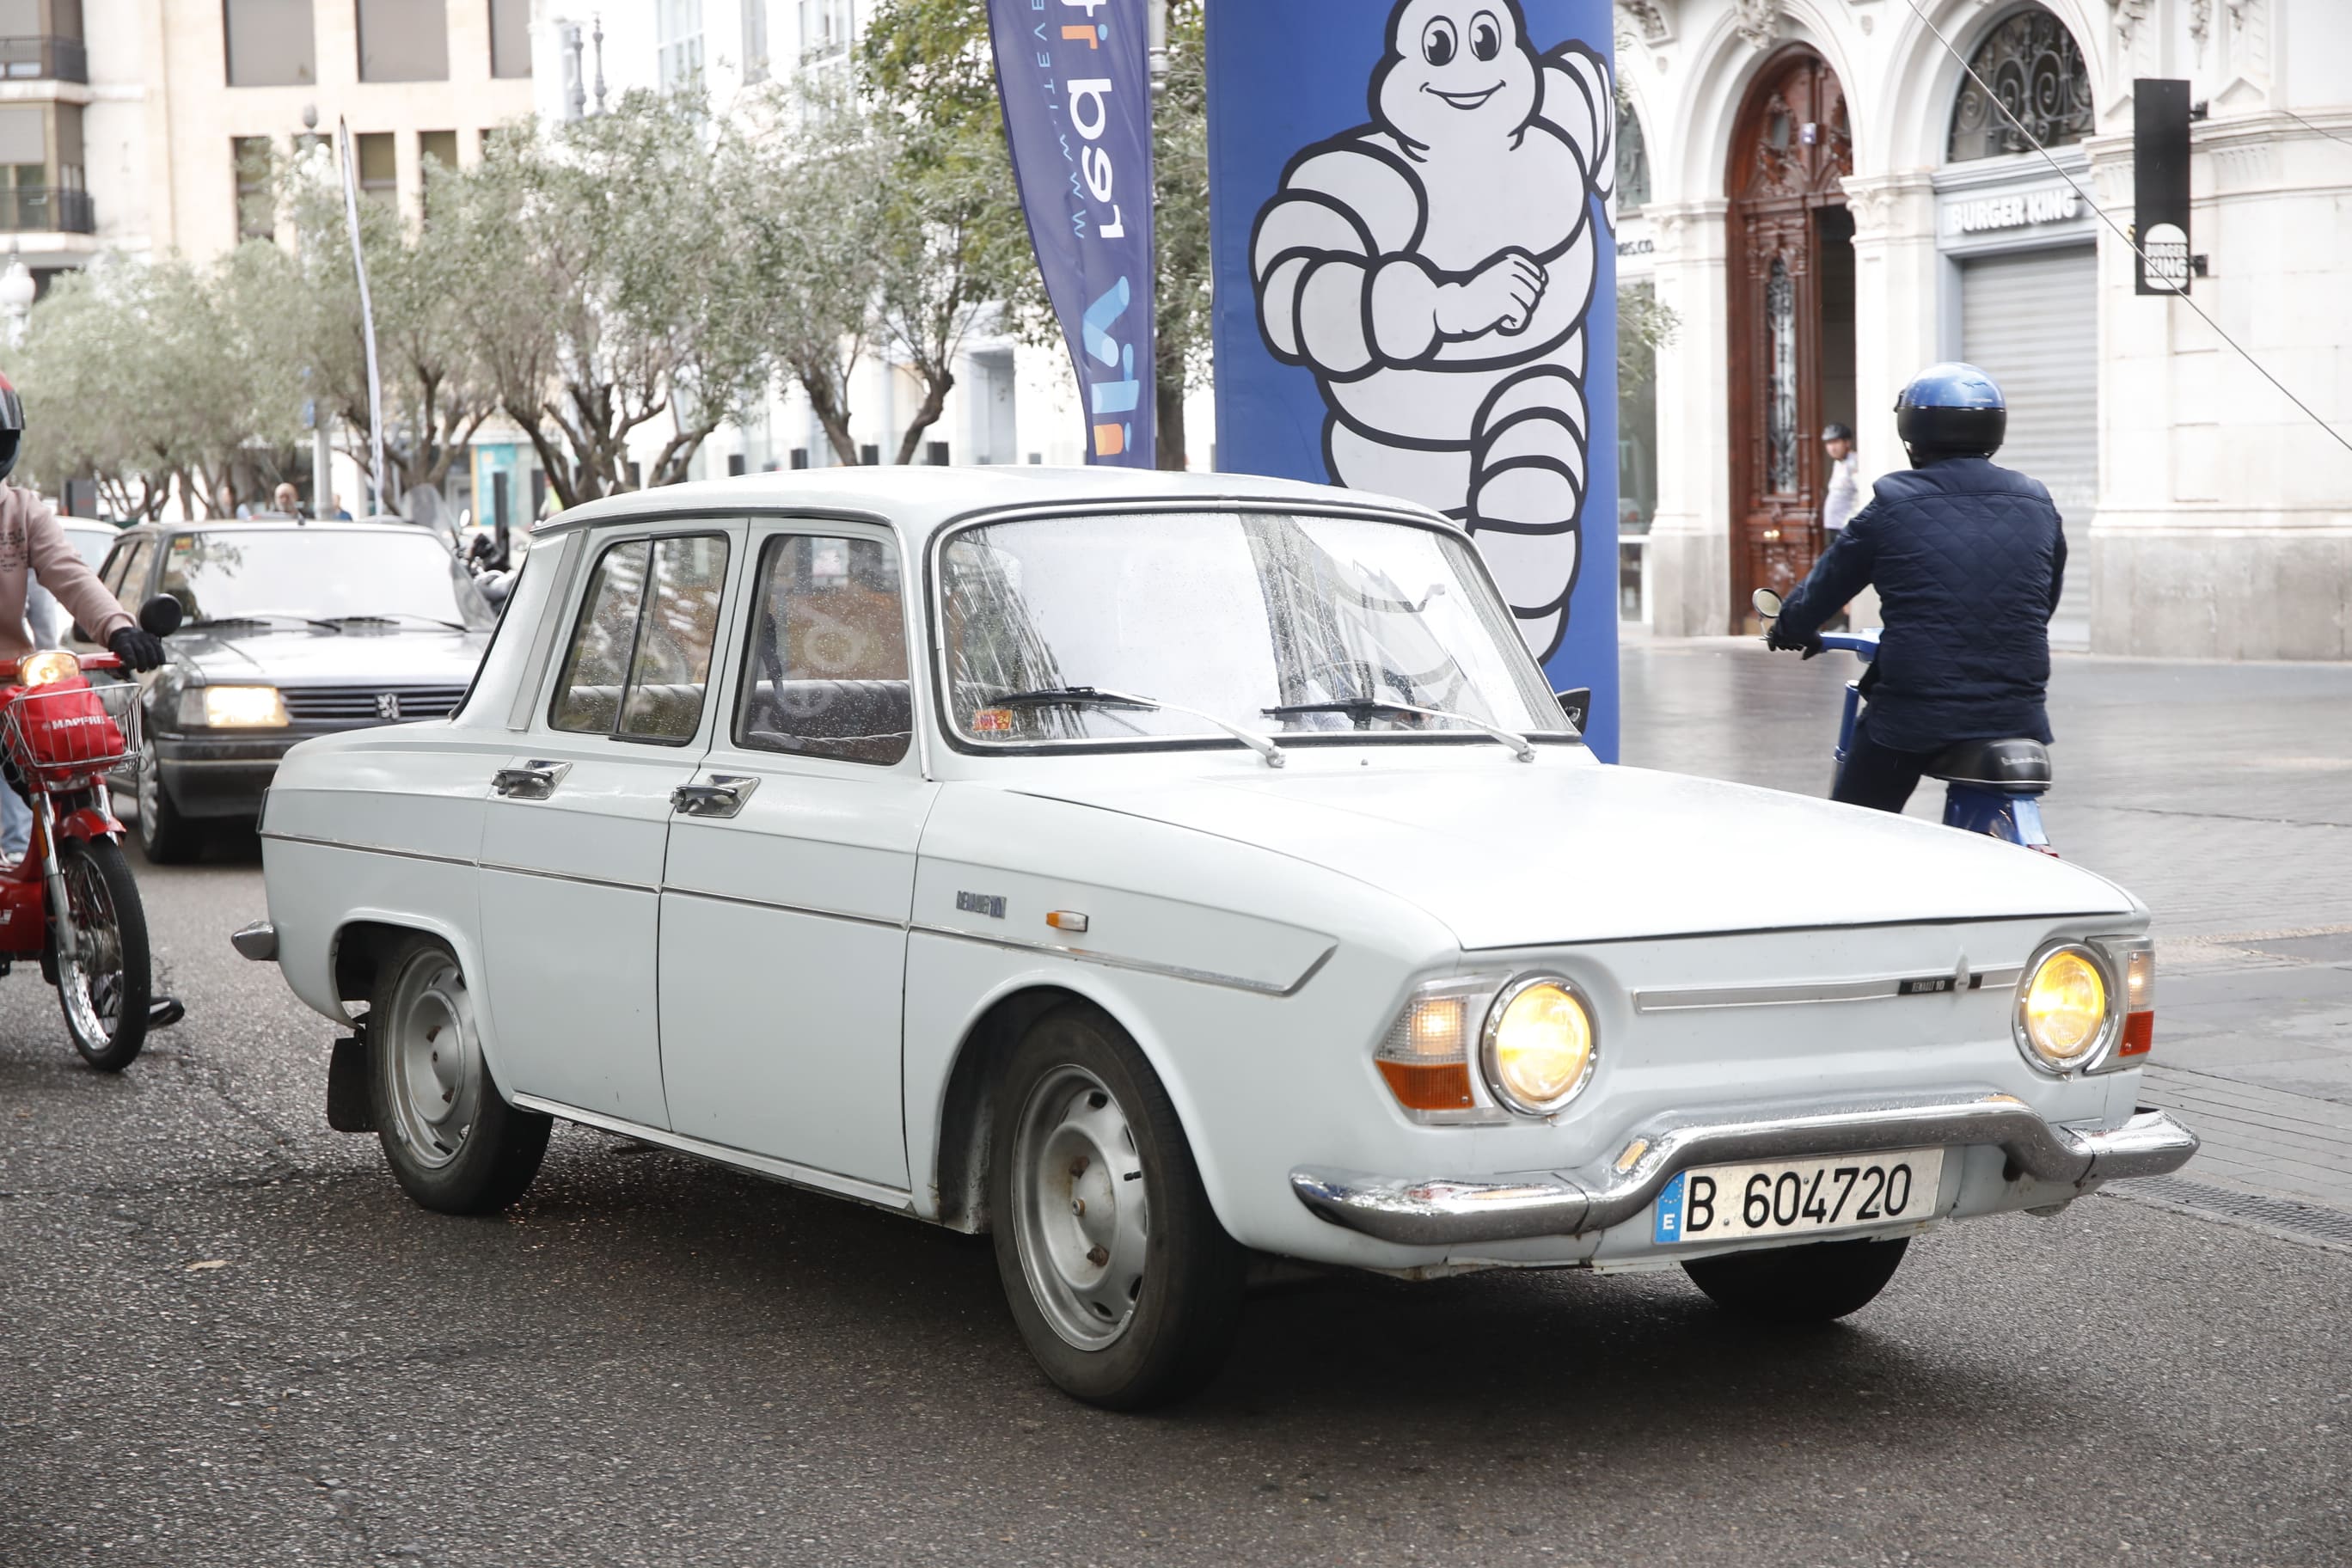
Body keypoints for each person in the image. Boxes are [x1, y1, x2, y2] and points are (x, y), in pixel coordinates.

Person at [1765, 363, 2066, 815]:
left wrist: (1790, 625)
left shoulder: (1892, 503)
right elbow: (2044, 598)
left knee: (1855, 823)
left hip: (1916, 715)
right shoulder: (2036, 501)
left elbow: (1825, 586)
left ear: (1913, 430)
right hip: (2019, 712)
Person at [0, 373, 166, 859]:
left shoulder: (21, 510)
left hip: (9, 681)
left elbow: (70, 573)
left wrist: (119, 628)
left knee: (58, 770)